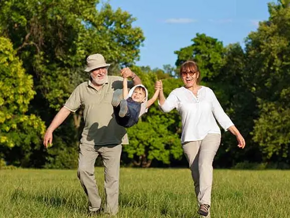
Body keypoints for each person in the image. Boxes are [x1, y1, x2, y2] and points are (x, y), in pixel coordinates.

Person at [43, 53, 141, 216]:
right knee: (83, 171)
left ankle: (110, 213)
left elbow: (140, 89)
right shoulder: (82, 88)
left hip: (114, 139)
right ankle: (95, 206)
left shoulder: (116, 81)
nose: (101, 72)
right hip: (89, 140)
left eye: (103, 68)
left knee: (112, 181)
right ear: (90, 71)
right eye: (96, 69)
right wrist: (50, 129)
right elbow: (66, 109)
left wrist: (133, 75)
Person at [157, 60, 245, 218]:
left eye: (191, 73)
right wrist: (160, 91)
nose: (188, 76)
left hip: (211, 134)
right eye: (185, 73)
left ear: (197, 75)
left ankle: (205, 203)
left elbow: (220, 114)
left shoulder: (208, 92)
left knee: (205, 163)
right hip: (189, 139)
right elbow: (164, 108)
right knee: (197, 177)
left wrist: (237, 133)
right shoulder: (177, 93)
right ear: (181, 76)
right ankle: (205, 215)